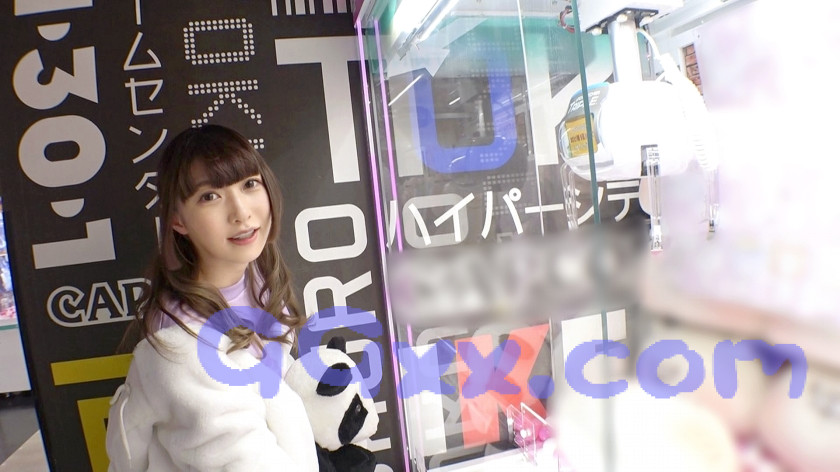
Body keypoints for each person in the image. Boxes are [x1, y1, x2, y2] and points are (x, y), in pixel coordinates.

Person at [105, 125, 319, 471]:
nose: (241, 212)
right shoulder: (180, 337)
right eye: (209, 196)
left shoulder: (259, 274)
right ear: (178, 221)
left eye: (249, 184)